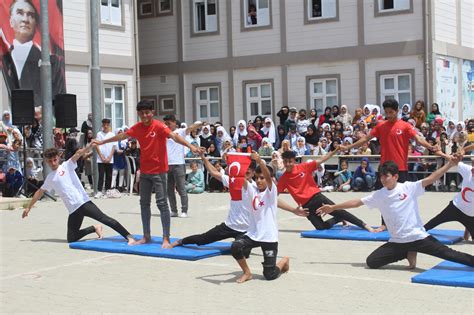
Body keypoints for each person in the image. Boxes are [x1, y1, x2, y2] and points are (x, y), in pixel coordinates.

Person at [317, 159, 474, 269]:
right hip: (398, 241)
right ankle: (407, 252)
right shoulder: (379, 194)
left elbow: (431, 178)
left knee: (451, 254)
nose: (383, 179)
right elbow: (357, 202)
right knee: (372, 262)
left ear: (395, 176)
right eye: (381, 176)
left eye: (387, 176)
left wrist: (448, 165)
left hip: (419, 238)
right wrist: (333, 207)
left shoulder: (408, 187)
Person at [92, 100, 200, 248]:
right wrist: (102, 142)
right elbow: (122, 136)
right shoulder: (137, 128)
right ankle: (146, 236)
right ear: (138, 114)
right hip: (145, 172)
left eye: (147, 112)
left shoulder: (160, 126)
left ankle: (166, 238)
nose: (145, 115)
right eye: (142, 113)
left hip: (159, 171)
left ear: (152, 113)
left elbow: (175, 137)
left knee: (162, 204)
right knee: (144, 204)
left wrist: (190, 146)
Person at [22, 146, 137, 245]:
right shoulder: (50, 177)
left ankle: (128, 236)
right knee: (71, 238)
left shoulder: (67, 166)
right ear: (46, 162)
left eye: (55, 160)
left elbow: (78, 154)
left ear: (59, 158)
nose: (53, 163)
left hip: (84, 203)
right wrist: (29, 207)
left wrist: (90, 146)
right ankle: (95, 228)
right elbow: (39, 192)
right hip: (73, 210)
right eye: (50, 161)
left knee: (106, 219)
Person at [170, 151, 256, 249]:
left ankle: (236, 242)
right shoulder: (233, 181)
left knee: (241, 251)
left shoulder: (254, 188)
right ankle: (180, 241)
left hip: (246, 230)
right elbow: (214, 172)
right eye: (244, 172)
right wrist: (203, 157)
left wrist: (231, 164)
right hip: (229, 225)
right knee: (202, 240)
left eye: (248, 172)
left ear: (253, 173)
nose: (245, 175)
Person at [231, 152, 291, 283]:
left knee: (269, 275)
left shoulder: (271, 191)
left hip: (269, 236)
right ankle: (247, 273)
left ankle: (284, 261)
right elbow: (239, 177)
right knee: (235, 246)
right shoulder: (253, 189)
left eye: (262, 178)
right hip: (253, 234)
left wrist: (259, 161)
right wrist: (231, 162)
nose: (259, 181)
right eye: (257, 178)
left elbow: (268, 178)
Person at [277, 150, 375, 232]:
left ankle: (364, 225)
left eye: (290, 161)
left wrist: (336, 150)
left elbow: (323, 159)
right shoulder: (283, 178)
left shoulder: (303, 167)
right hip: (306, 206)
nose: (288, 164)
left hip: (317, 197)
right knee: (321, 228)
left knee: (339, 211)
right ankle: (338, 219)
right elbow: (274, 198)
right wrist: (293, 210)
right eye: (285, 161)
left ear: (294, 161)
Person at [2, 0, 65, 106]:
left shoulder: (52, 63)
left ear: (36, 24)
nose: (25, 19)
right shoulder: (4, 59)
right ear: (11, 21)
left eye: (30, 15)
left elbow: (58, 99)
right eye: (20, 13)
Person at [164, 115, 202, 218]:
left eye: (169, 123)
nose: (167, 125)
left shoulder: (180, 131)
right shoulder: (164, 133)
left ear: (174, 123)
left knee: (181, 188)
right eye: (165, 123)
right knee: (169, 189)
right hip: (167, 164)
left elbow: (190, 128)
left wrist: (200, 124)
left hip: (178, 164)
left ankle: (184, 210)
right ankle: (173, 210)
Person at [94, 119, 116, 198]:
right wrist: (100, 155)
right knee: (101, 174)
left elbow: (114, 146)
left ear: (109, 125)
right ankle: (99, 191)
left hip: (109, 158)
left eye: (107, 125)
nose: (105, 126)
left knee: (109, 175)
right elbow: (96, 145)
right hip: (101, 158)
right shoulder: (99, 134)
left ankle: (107, 190)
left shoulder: (112, 134)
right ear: (102, 125)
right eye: (104, 125)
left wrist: (110, 156)